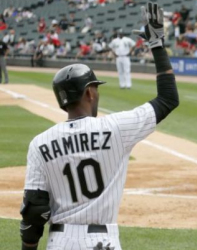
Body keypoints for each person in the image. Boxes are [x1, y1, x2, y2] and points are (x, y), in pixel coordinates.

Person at [19, 3, 179, 250]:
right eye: (96, 87)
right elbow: (168, 98)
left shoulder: (39, 143)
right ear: (89, 93)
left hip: (60, 241)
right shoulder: (116, 128)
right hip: (102, 242)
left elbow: (34, 210)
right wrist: (157, 44)